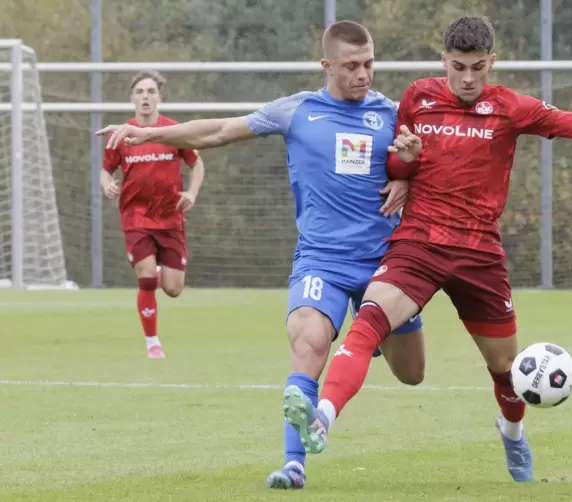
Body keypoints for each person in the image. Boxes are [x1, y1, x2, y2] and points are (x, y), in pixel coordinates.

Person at [282, 15, 572, 483]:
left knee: (505, 366)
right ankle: (323, 416)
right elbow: (396, 165)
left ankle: (511, 433)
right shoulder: (417, 98)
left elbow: (567, 122)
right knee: (367, 322)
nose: (468, 79)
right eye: (459, 67)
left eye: (478, 68)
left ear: (492, 62)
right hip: (418, 244)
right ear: (444, 60)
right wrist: (402, 164)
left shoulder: (509, 107)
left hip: (478, 255)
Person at [97, 20, 426, 490]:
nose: (364, 74)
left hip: (386, 263)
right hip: (321, 261)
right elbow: (219, 131)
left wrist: (410, 173)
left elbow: (433, 165)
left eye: (369, 64)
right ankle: (294, 465)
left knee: (411, 373)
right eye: (352, 66)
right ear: (326, 65)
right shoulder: (296, 111)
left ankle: (359, 352)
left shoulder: (394, 115)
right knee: (309, 345)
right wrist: (147, 136)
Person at [101, 71, 205, 360]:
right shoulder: (122, 134)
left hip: (170, 218)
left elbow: (197, 165)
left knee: (173, 289)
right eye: (140, 91)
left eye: (150, 91)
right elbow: (106, 169)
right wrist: (106, 183)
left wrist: (192, 193)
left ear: (159, 97)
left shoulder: (174, 131)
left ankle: (157, 272)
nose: (145, 96)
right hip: (136, 217)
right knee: (146, 276)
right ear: (132, 97)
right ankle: (152, 343)